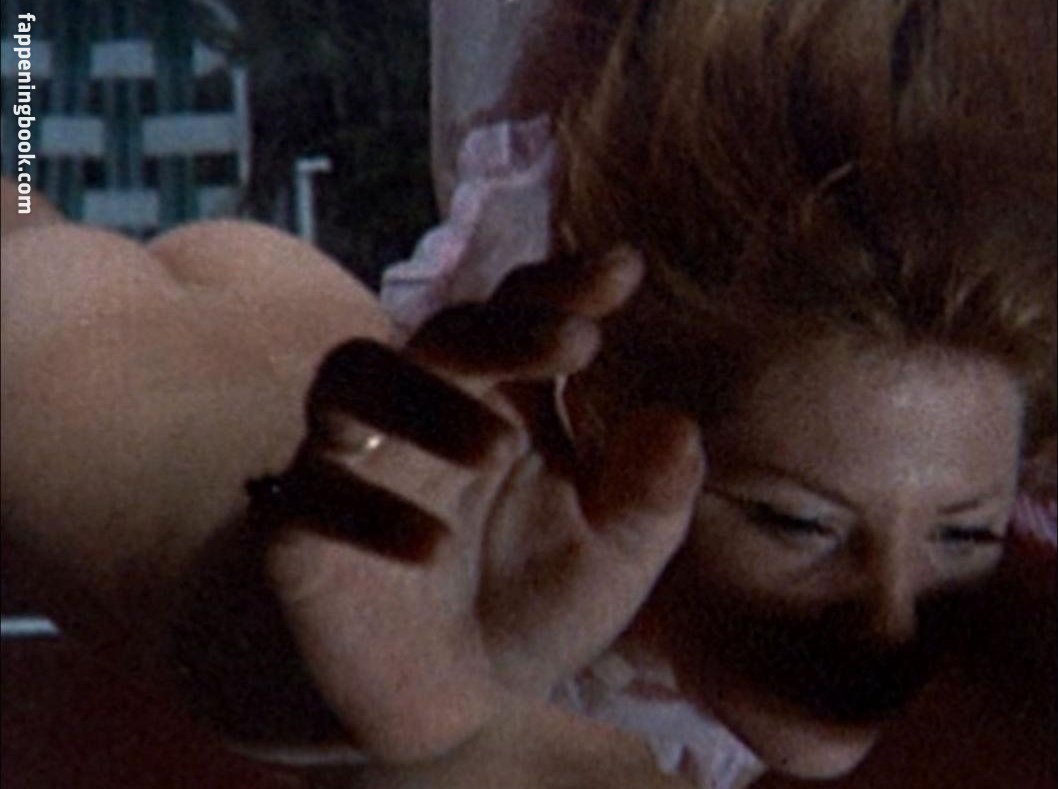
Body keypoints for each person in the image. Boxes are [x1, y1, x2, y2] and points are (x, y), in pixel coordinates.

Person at [2, 1, 1054, 788]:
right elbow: (220, 567)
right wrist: (329, 662)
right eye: (797, 524)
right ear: (601, 420)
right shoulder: (478, 510)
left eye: (964, 533)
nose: (887, 625)